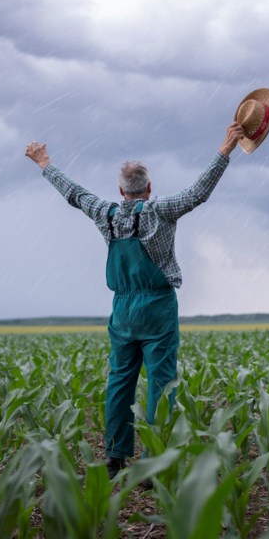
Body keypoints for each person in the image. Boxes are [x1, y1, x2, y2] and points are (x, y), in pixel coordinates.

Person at [24, 122, 245, 479]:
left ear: (121, 191)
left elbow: (75, 194)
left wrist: (44, 163)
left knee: (120, 382)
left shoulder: (105, 213)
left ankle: (115, 459)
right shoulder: (160, 211)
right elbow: (198, 192)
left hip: (123, 310)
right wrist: (226, 148)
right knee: (162, 382)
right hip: (158, 307)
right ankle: (155, 463)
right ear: (149, 188)